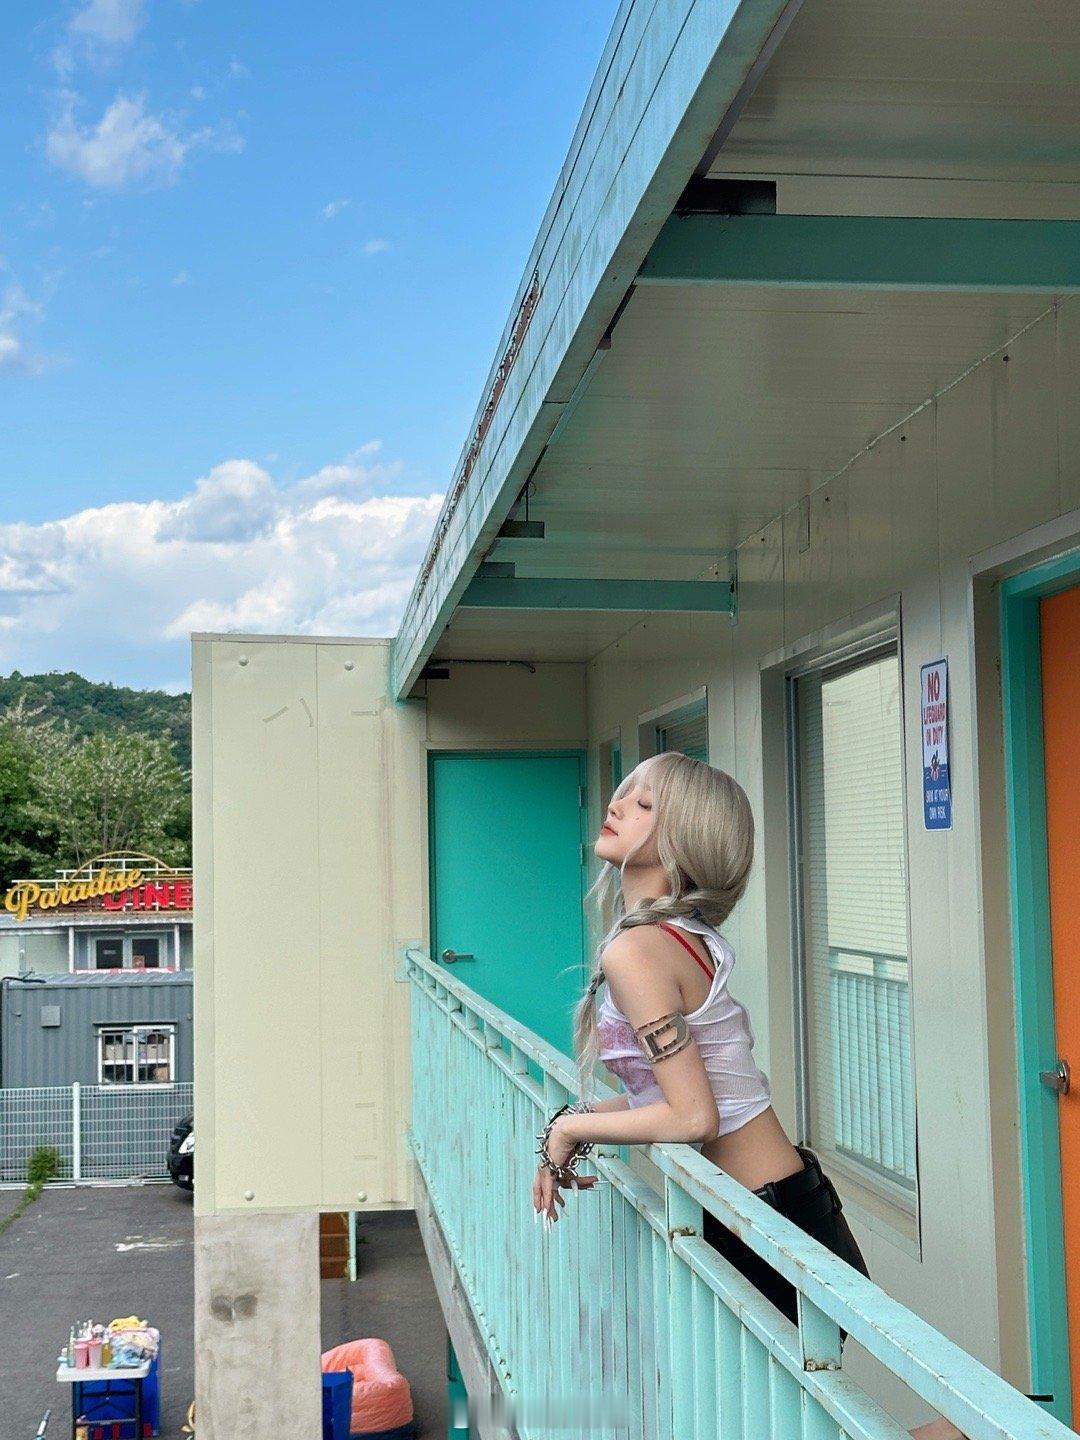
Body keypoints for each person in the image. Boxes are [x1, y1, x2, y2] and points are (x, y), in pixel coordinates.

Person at [531, 751, 966, 1440]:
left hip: (764, 1222)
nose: (617, 805)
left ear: (683, 837)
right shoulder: (674, 938)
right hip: (778, 1206)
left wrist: (569, 1130)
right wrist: (571, 1123)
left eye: (644, 803)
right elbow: (671, 1097)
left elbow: (691, 1116)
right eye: (624, 792)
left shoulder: (638, 951)